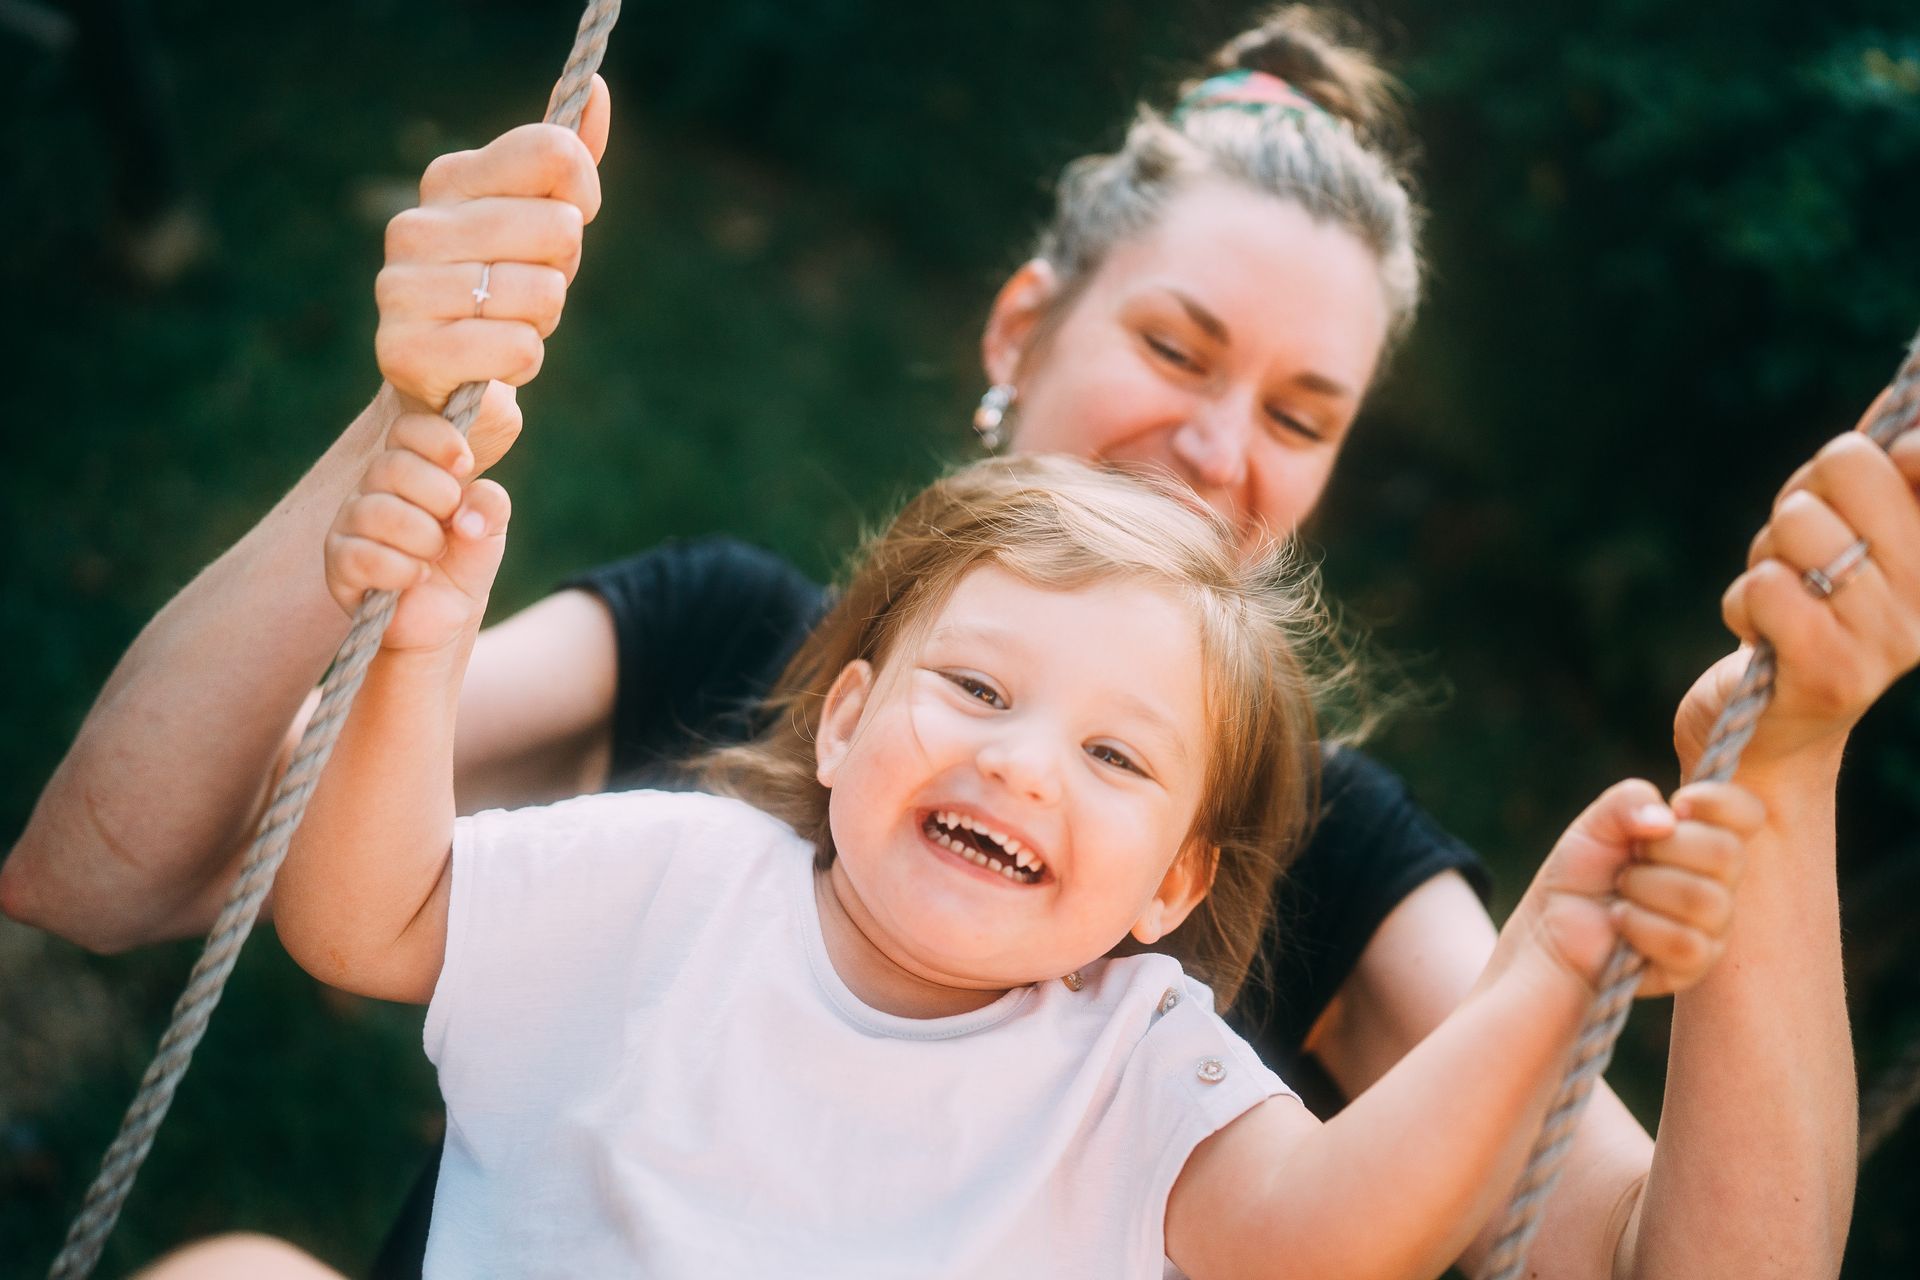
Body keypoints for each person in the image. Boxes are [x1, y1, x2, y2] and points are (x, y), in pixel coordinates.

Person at [9, 7, 1917, 1275]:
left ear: (1188, 872)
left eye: (1303, 413)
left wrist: (1793, 760)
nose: (1218, 446)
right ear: (1024, 327)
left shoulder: (1308, 862)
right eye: (1177, 347)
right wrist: (403, 452)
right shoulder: (726, 672)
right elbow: (141, 867)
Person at [277, 446, 1758, 1278]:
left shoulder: (1135, 1074)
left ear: (1172, 887)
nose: (1022, 762)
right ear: (846, 723)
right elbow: (361, 923)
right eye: (977, 690)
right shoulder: (676, 878)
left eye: (1116, 758)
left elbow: (1327, 1237)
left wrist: (1548, 971)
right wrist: (417, 653)